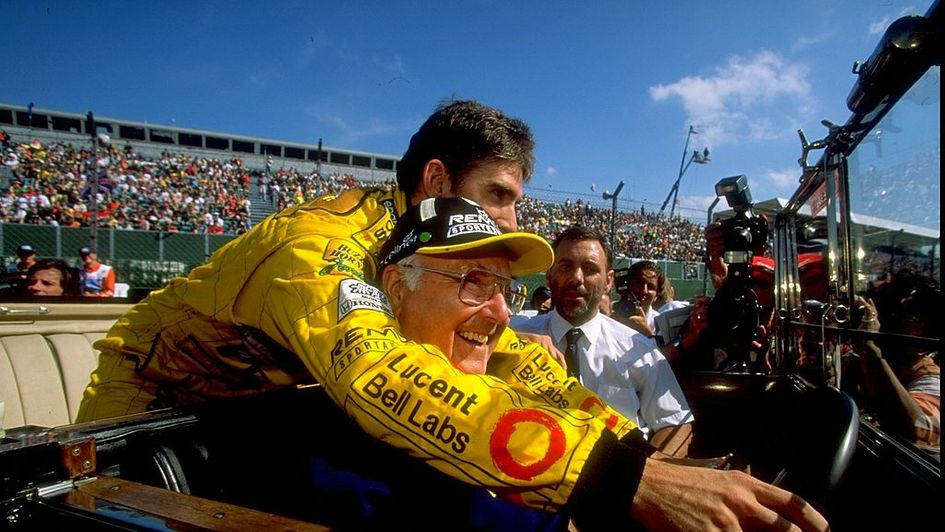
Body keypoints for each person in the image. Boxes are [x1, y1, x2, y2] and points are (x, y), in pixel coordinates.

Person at [77, 99, 828, 531]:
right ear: (435, 178)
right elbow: (379, 372)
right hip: (151, 430)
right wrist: (619, 480)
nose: (511, 213)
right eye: (498, 195)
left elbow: (522, 365)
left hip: (272, 414)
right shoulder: (316, 247)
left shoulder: (424, 249)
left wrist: (648, 461)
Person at [511, 226, 693, 457]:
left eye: (590, 269)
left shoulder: (638, 349)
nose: (577, 278)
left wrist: (647, 480)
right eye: (566, 267)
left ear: (608, 281)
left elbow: (675, 423)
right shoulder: (512, 336)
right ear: (549, 276)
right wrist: (507, 342)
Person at [613, 260, 662, 337]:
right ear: (628, 286)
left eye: (650, 287)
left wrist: (646, 332)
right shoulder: (612, 316)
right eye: (639, 284)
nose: (644, 291)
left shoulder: (661, 325)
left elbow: (664, 349)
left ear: (656, 295)